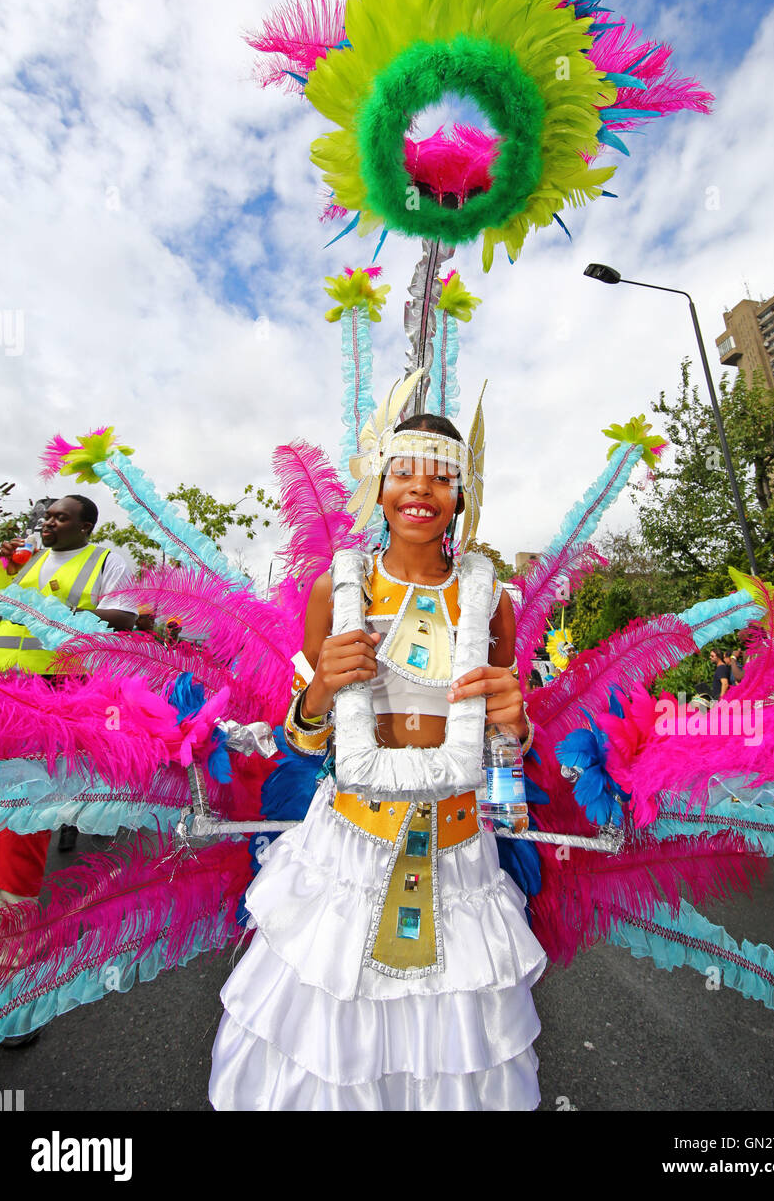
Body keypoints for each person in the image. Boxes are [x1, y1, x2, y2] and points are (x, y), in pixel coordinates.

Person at [209, 393, 546, 1110]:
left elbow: (501, 738)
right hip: (350, 842)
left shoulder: (494, 603)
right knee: (331, 1035)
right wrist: (319, 693)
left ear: (462, 494)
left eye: (441, 475)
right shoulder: (336, 589)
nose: (420, 487)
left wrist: (515, 729)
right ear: (379, 483)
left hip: (457, 843)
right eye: (404, 471)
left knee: (454, 1046)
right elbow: (304, 739)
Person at [0, 494, 138, 1010]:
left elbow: (127, 617)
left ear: (87, 527)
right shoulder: (28, 558)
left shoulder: (107, 559)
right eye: (45, 516)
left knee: (20, 824)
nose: (47, 522)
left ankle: (12, 973)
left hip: (49, 700)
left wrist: (70, 611)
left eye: (60, 517)